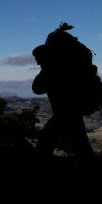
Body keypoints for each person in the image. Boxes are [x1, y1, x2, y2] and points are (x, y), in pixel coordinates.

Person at [32, 23, 95, 165]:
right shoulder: (72, 64)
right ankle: (93, 173)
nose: (37, 63)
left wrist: (45, 67)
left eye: (38, 60)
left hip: (64, 112)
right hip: (73, 110)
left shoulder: (53, 67)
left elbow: (37, 88)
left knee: (46, 142)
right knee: (80, 143)